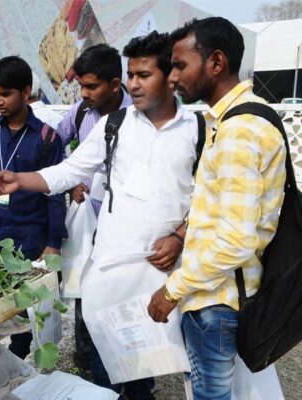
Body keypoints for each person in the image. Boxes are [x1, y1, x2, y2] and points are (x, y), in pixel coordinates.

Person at [0, 31, 201, 399]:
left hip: (162, 272)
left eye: (144, 75)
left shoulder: (197, 131)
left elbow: (206, 201)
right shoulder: (116, 125)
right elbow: (68, 171)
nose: (134, 84)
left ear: (171, 77)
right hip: (111, 270)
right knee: (107, 363)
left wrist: (180, 236)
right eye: (131, 75)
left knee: (157, 363)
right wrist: (21, 179)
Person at [146, 18, 286, 400]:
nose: (172, 77)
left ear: (216, 63)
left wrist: (172, 290)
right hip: (221, 296)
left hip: (217, 301)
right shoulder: (233, 119)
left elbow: (235, 240)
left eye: (179, 65)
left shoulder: (239, 130)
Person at [0, 56, 67, 359]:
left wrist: (53, 243)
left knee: (26, 307)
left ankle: (19, 359)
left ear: (25, 91)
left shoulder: (47, 139)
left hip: (29, 237)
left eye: (5, 94)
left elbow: (55, 193)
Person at [55, 43, 132, 376]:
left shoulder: (138, 115)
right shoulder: (80, 113)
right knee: (84, 291)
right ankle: (87, 364)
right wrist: (70, 180)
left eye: (91, 87)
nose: (84, 93)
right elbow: (53, 142)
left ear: (115, 84)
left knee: (126, 299)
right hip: (87, 221)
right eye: (81, 86)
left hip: (126, 226)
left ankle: (133, 374)